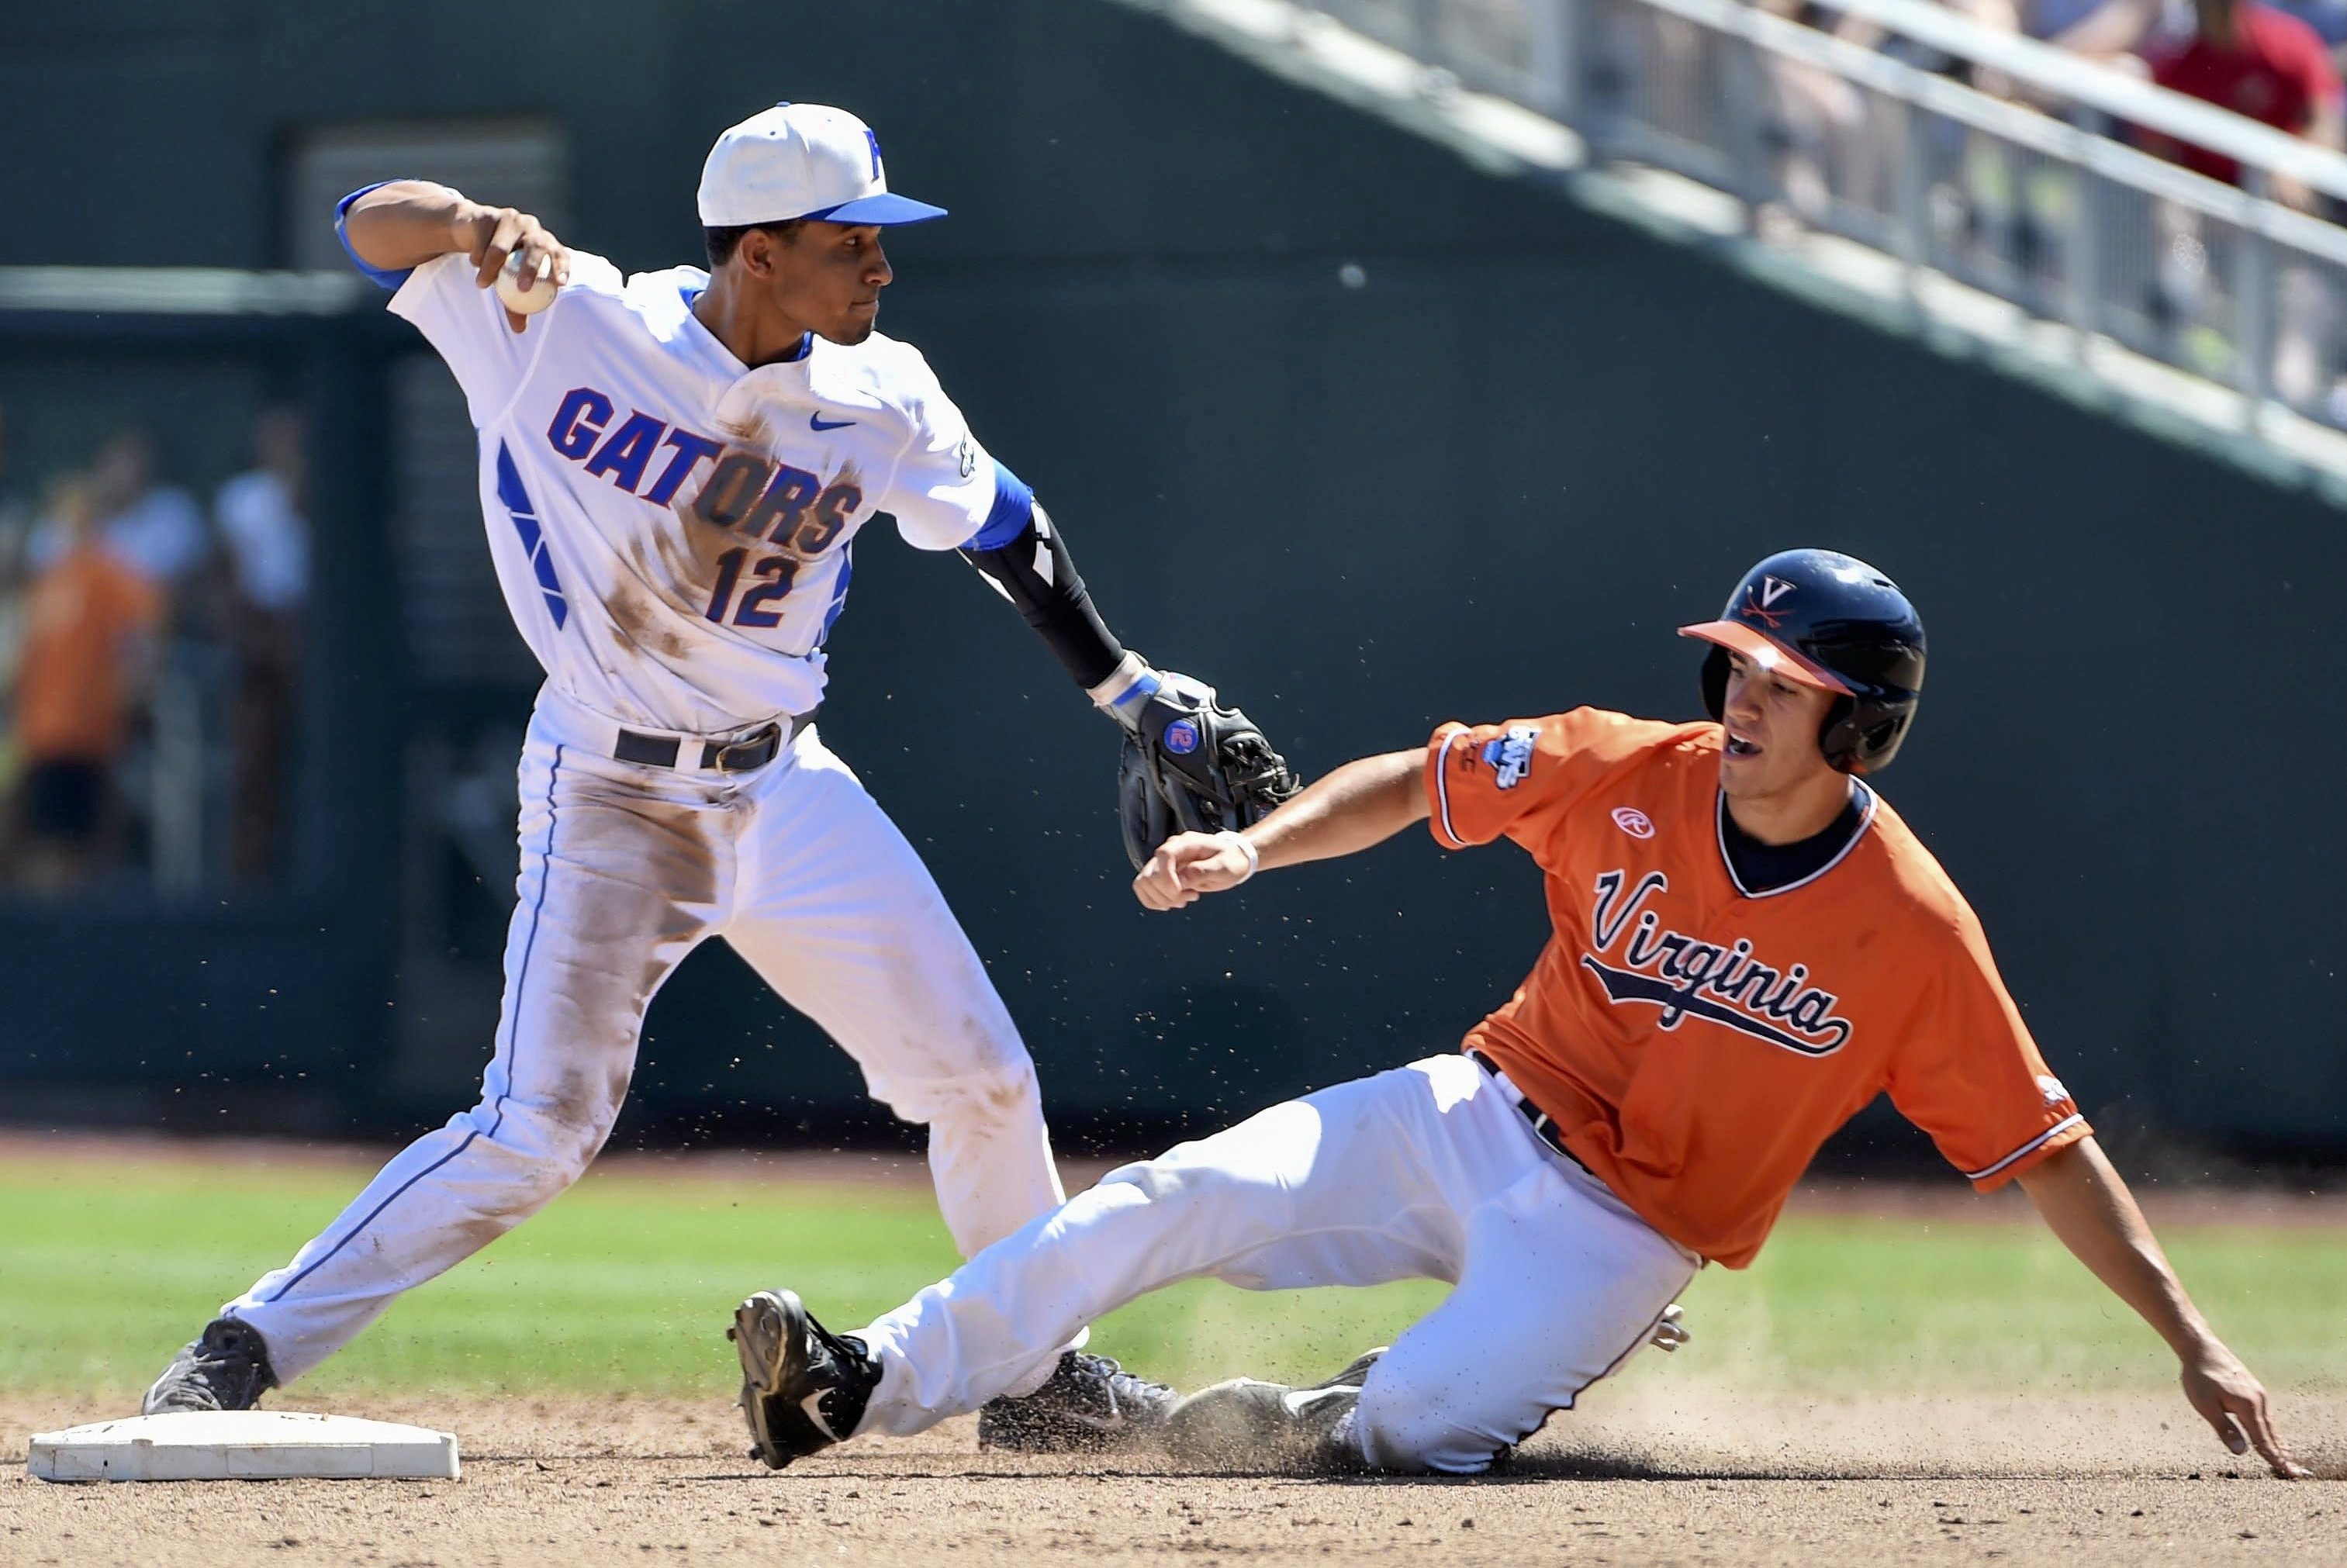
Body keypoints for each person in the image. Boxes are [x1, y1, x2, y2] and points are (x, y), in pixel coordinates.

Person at [138, 102, 1298, 1451]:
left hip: (787, 785)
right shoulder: (567, 318)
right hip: (615, 796)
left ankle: (1042, 1380)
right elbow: (365, 228)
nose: (880, 263)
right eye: (851, 238)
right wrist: (465, 223)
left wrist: (1127, 686)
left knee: (981, 1077)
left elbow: (1002, 525)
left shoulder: (883, 392)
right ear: (757, 251)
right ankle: (246, 1340)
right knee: (539, 1126)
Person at [728, 548, 2310, 1480]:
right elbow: (1419, 785)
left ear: (1861, 720)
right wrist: (1257, 846)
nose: (1734, 693)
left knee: (1400, 1439)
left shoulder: (1908, 929)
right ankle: (856, 1377)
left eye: (1772, 677)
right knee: (1169, 1195)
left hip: (1622, 1233)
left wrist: (2193, 1339)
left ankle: (1342, 1404)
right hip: (1474, 1108)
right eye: (1732, 665)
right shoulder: (1630, 767)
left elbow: (2043, 1146)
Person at [7, 475, 163, 893]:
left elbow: (143, 631)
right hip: (42, 733)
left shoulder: (111, 575)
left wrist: (133, 690)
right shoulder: (46, 579)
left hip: (91, 731)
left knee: (85, 845)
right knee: (43, 842)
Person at [212, 406, 312, 884]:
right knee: (254, 770)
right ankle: (248, 878)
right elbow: (229, 577)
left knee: (310, 770)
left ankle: (308, 870)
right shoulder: (242, 498)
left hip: (314, 645)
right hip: (259, 650)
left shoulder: (325, 493)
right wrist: (257, 638)